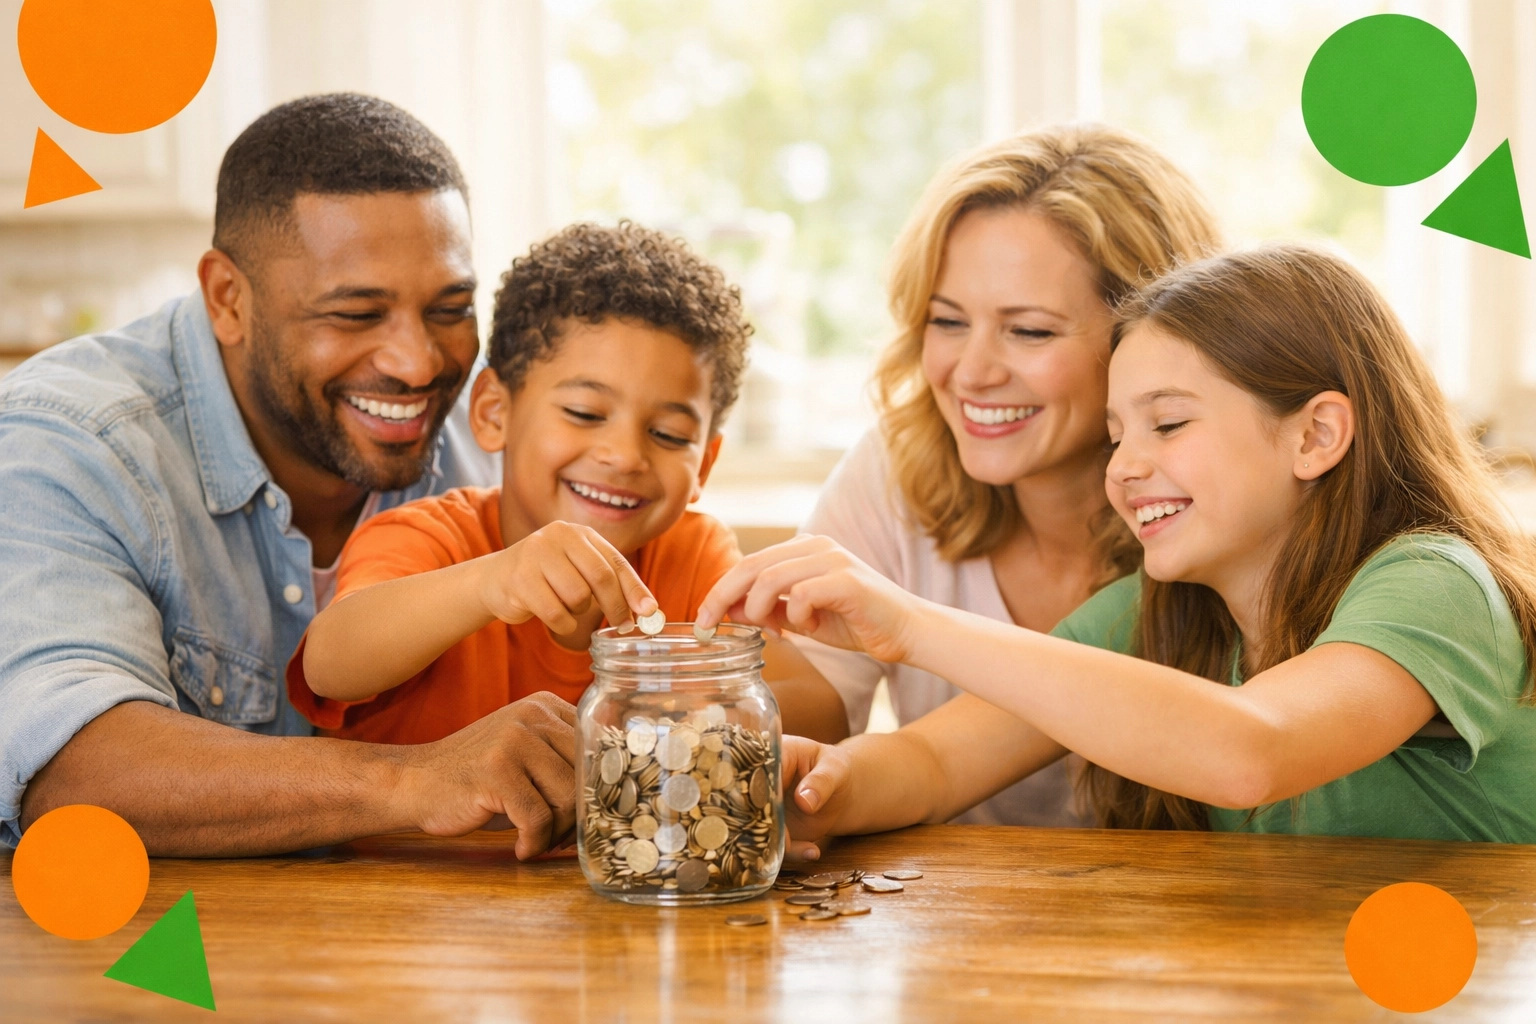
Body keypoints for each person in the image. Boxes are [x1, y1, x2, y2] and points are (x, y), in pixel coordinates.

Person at [703, 244, 1536, 847]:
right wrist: (826, 788)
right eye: (1115, 435)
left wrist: (910, 625)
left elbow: (1253, 749)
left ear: (1315, 435)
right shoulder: (1154, 614)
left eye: (1167, 424)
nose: (1125, 467)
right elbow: (934, 762)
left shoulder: (1436, 583)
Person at [2, 94, 572, 859]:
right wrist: (412, 780)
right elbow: (71, 770)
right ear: (228, 299)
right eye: (356, 314)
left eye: (450, 308)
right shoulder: (69, 440)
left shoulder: (496, 422)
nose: (418, 364)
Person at [777, 124, 1221, 825]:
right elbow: (847, 727)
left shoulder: (1216, 509)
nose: (973, 373)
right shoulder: (897, 467)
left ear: (1151, 338)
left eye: (1029, 331)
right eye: (948, 321)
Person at [287, 221, 827, 742]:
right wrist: (490, 583)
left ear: (704, 465)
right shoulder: (428, 538)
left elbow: (821, 710)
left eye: (668, 434)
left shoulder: (692, 556)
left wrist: (659, 725)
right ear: (494, 412)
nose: (625, 456)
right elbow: (328, 663)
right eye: (584, 413)